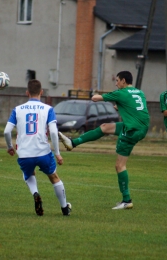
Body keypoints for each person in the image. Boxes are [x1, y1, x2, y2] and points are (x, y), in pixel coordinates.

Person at [59, 71, 150, 209]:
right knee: (105, 127)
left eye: (117, 80)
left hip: (131, 130)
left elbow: (96, 98)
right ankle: (73, 143)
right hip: (141, 127)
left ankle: (126, 200)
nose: (116, 83)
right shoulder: (139, 92)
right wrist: (120, 107)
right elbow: (135, 109)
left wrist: (93, 94)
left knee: (120, 166)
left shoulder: (121, 92)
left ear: (124, 81)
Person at [4, 79, 72, 216]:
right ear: (41, 92)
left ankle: (35, 193)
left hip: (24, 153)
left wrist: (10, 146)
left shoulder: (17, 110)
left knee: (28, 174)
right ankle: (65, 208)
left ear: (27, 93)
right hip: (43, 152)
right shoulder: (48, 109)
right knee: (54, 177)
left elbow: (6, 131)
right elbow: (53, 132)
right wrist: (57, 153)